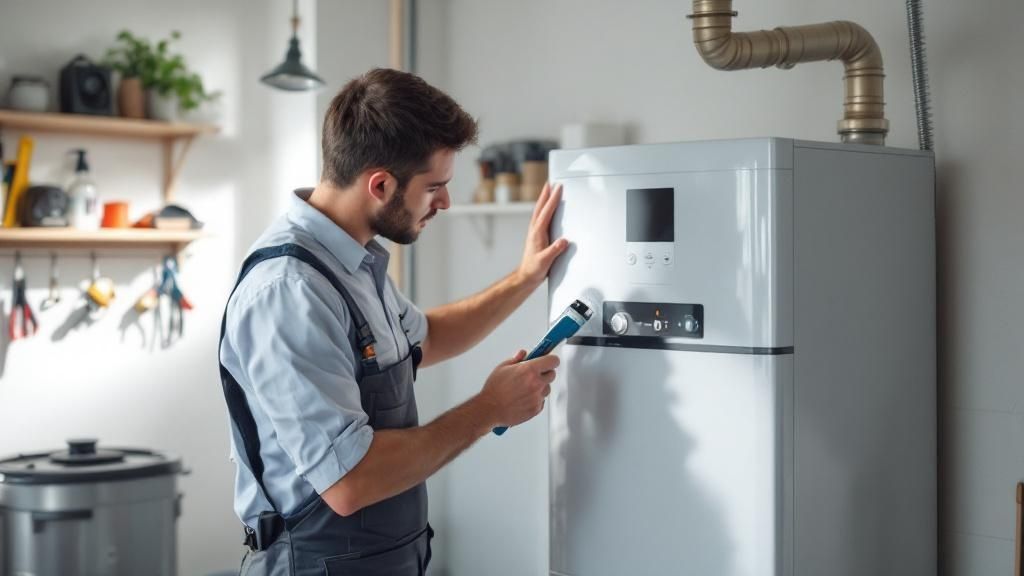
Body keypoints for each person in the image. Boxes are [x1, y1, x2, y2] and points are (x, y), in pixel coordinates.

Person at [218, 67, 568, 575]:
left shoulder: (354, 261)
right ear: (380, 184)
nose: (445, 202)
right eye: (435, 187)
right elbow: (349, 481)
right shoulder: (290, 291)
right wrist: (489, 408)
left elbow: (429, 336)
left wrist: (526, 277)